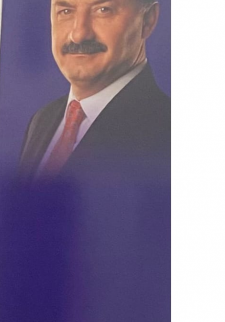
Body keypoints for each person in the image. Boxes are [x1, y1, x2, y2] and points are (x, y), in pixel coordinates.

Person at [18, 0, 169, 184]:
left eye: (103, 10)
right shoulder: (42, 120)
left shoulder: (167, 134)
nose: (79, 34)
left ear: (147, 20)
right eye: (66, 11)